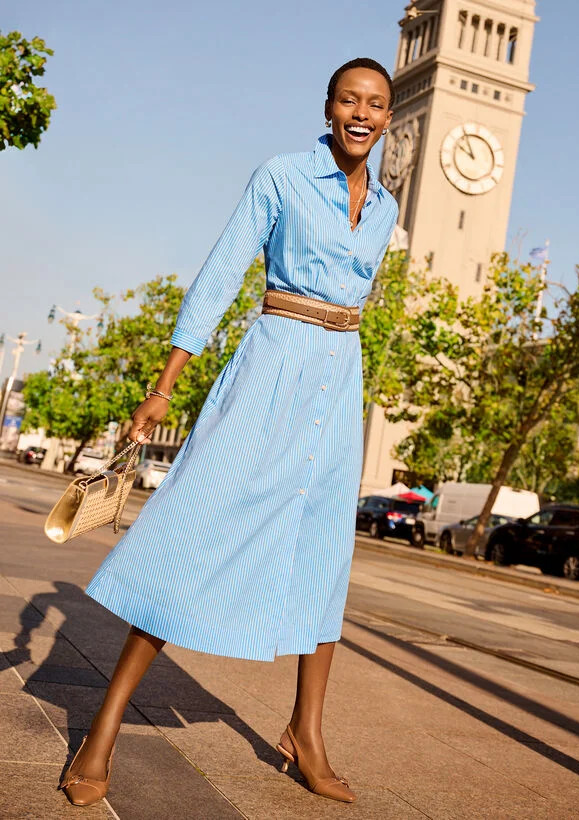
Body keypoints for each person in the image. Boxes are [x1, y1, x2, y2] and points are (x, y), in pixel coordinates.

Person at [60, 56, 398, 807]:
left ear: (388, 115)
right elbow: (220, 274)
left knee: (324, 554)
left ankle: (305, 733)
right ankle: (103, 728)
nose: (362, 113)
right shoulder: (280, 175)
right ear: (329, 105)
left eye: (376, 103)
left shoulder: (387, 208)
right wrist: (165, 385)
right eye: (350, 99)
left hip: (341, 379)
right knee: (196, 529)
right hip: (273, 362)